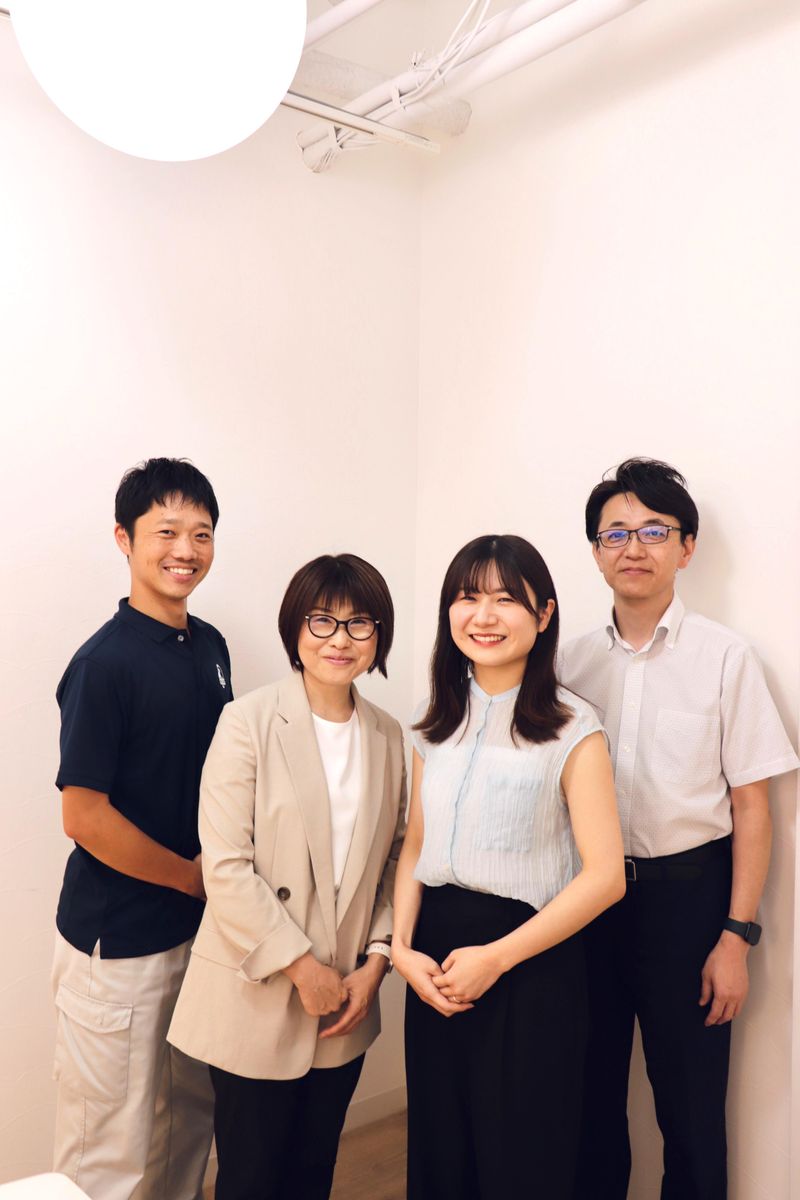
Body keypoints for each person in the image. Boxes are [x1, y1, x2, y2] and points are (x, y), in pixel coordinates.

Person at [560, 457, 800, 1200]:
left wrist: (736, 936)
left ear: (686, 547)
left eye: (654, 531)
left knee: (692, 1111)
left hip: (688, 906)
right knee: (586, 1101)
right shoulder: (567, 663)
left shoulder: (727, 658)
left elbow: (753, 807)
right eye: (616, 532)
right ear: (596, 550)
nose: (633, 547)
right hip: (587, 905)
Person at [392, 534, 625, 1200]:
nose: (483, 616)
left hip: (531, 962)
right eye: (468, 598)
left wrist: (496, 959)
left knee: (522, 1158)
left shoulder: (574, 726)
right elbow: (416, 844)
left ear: (543, 615)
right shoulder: (433, 722)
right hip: (435, 959)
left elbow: (606, 877)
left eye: (505, 599)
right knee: (442, 1150)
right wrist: (401, 949)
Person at [167, 552, 406, 1200]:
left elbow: (394, 862)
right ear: (295, 628)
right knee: (250, 1177)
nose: (339, 639)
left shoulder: (390, 737)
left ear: (378, 635)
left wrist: (377, 961)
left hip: (346, 1000)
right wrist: (302, 968)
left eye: (359, 624)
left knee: (313, 1172)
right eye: (322, 621)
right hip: (260, 993)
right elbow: (225, 866)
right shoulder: (247, 722)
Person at [51, 458, 231, 1199]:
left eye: (202, 533)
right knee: (107, 1152)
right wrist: (191, 877)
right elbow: (84, 817)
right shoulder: (103, 664)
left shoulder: (210, 646)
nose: (186, 550)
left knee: (188, 1124)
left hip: (200, 937)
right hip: (117, 943)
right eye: (166, 532)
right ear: (124, 539)